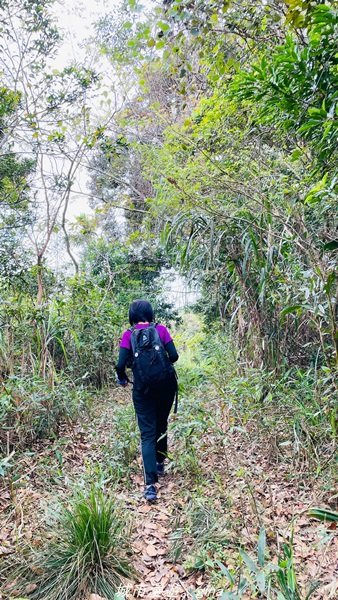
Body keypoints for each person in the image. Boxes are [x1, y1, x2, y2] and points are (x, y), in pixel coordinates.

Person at [115, 299, 179, 502]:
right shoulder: (161, 330)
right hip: (166, 386)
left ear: (132, 316)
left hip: (143, 390)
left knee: (147, 434)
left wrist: (124, 378)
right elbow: (175, 356)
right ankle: (160, 462)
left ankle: (150, 485)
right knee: (162, 423)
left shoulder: (128, 335)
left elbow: (120, 364)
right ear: (150, 314)